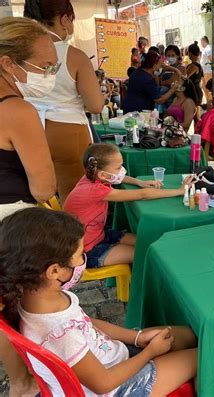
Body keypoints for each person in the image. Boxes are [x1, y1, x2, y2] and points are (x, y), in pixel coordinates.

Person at [0, 207, 198, 396]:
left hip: (113, 358)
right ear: (53, 271)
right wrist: (150, 352)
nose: (83, 260)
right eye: (79, 255)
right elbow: (104, 384)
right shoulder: (60, 335)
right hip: (117, 389)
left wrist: (136, 337)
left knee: (187, 335)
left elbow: (86, 323)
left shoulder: (35, 297)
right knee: (204, 357)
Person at [0, 16, 59, 397]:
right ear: (9, 63)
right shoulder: (17, 111)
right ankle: (25, 382)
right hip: (13, 227)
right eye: (46, 66)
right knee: (16, 310)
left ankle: (20, 380)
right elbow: (44, 187)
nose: (51, 74)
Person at [24, 0, 104, 203]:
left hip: (28, 128)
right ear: (64, 19)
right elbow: (95, 105)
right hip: (68, 131)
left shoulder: (18, 52)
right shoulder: (74, 55)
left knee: (40, 199)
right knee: (75, 199)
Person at [64, 143, 195, 268]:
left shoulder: (92, 176)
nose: (122, 170)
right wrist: (179, 191)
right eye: (118, 168)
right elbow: (143, 195)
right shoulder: (95, 190)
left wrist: (139, 182)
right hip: (86, 251)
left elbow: (119, 177)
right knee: (146, 253)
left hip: (98, 234)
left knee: (149, 243)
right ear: (102, 174)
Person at [186, 42, 204, 107]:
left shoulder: (193, 66)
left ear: (190, 53)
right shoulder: (198, 65)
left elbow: (185, 77)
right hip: (197, 91)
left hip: (194, 92)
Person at [200, 36, 213, 102]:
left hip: (208, 72)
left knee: (208, 88)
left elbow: (211, 58)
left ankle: (210, 101)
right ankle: (208, 101)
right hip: (205, 72)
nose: (201, 44)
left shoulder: (208, 48)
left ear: (203, 41)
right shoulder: (207, 48)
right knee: (203, 86)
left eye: (201, 42)